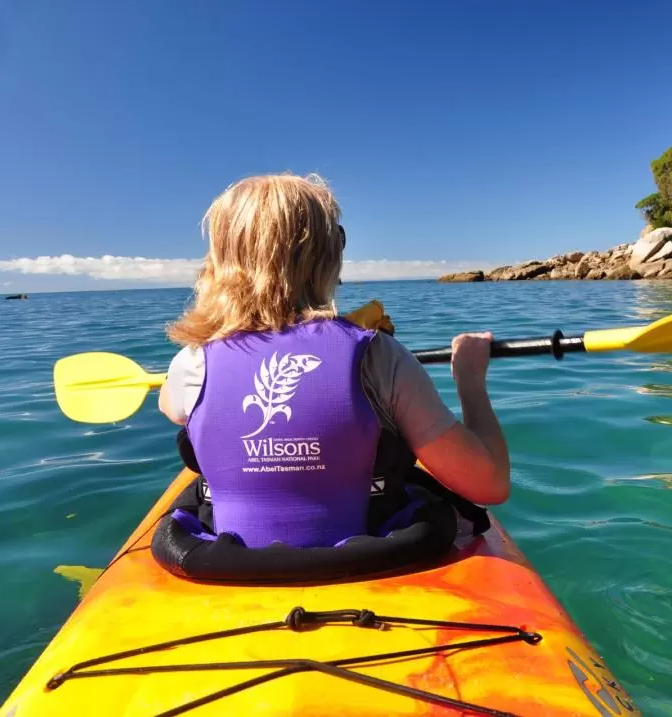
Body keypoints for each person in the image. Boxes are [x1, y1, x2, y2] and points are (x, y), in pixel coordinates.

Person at [157, 172, 509, 549]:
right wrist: (469, 380)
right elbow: (488, 484)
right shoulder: (379, 355)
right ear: (328, 256)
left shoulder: (191, 362)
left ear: (219, 262)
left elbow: (172, 408)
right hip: (366, 562)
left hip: (230, 566)